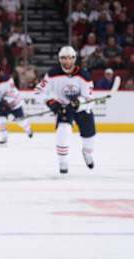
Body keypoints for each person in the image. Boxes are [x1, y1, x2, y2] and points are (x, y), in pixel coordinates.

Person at [35, 46, 95, 174]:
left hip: (82, 109)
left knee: (89, 137)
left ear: (74, 58)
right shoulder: (52, 74)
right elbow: (38, 91)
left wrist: (79, 103)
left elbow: (89, 99)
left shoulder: (84, 75)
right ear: (59, 59)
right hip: (63, 108)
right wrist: (52, 103)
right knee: (63, 132)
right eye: (63, 58)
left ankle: (87, 152)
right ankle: (63, 162)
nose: (67, 61)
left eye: (70, 58)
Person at [0, 66, 33, 145]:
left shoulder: (7, 80)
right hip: (3, 105)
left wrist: (6, 101)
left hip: (14, 102)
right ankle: (4, 137)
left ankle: (28, 129)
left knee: (20, 121)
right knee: (0, 120)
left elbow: (12, 93)